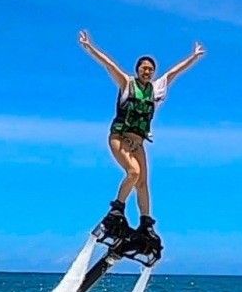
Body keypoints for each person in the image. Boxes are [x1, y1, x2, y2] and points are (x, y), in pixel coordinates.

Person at [78, 29, 205, 250]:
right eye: (143, 68)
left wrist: (193, 57)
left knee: (144, 183)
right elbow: (109, 65)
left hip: (138, 143)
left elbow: (175, 72)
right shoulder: (128, 84)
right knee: (134, 173)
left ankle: (146, 223)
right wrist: (89, 47)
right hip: (119, 138)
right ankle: (116, 210)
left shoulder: (156, 90)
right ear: (137, 70)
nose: (147, 71)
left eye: (150, 69)